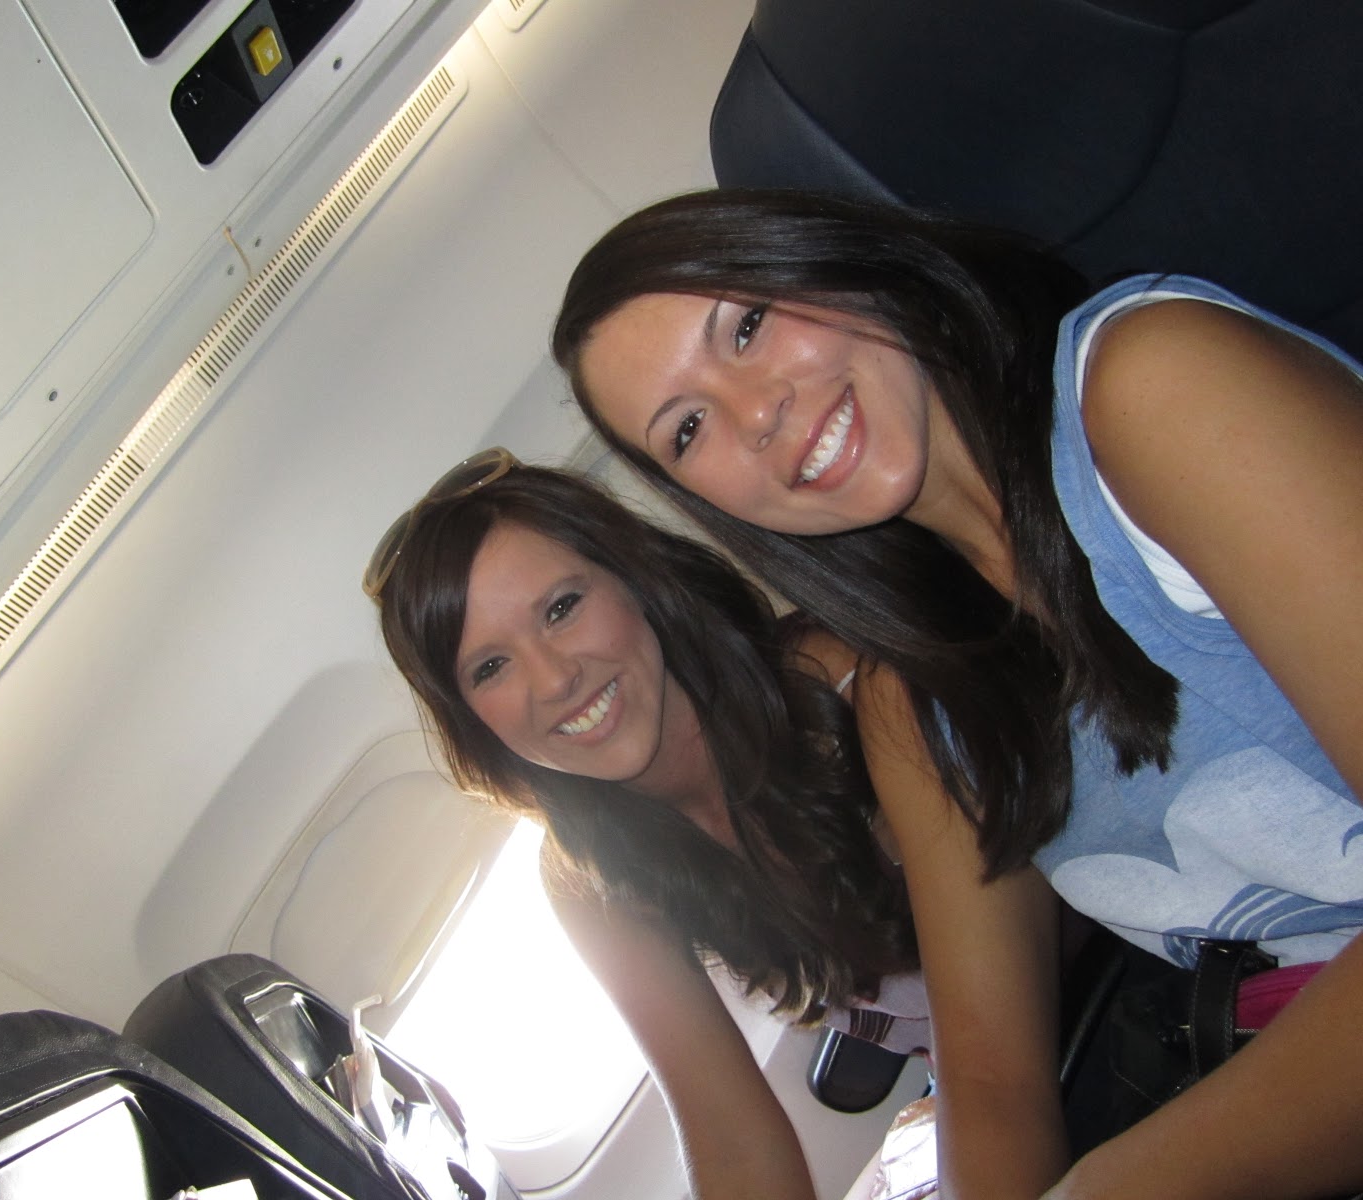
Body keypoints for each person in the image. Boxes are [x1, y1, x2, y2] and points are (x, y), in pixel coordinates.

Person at [551, 189, 1363, 1200]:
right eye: (686, 430)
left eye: (747, 326)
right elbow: (988, 1086)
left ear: (837, 260)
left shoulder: (1147, 386)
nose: (756, 416)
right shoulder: (923, 699)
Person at [364, 452, 923, 1200]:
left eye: (561, 608)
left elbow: (1000, 1063)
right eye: (490, 667)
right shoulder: (589, 875)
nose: (554, 679)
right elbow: (731, 1143)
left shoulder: (845, 693)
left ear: (634, 575)